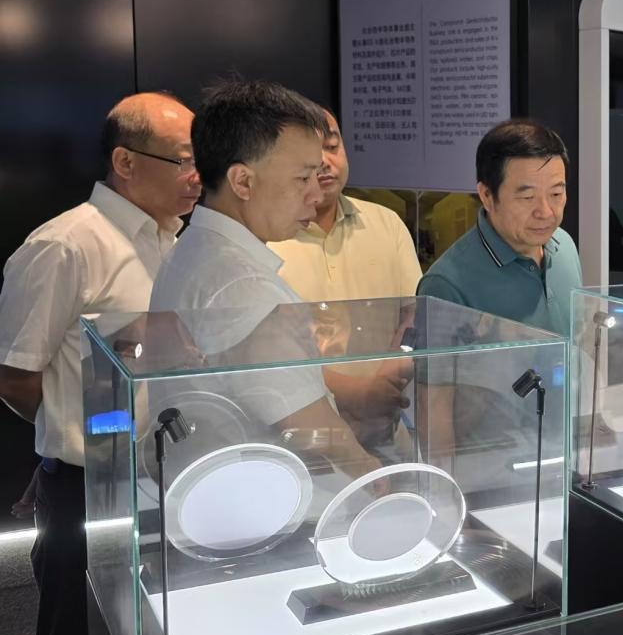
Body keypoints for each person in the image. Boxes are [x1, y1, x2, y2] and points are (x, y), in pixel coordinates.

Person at [0, 92, 199, 635]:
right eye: (184, 160)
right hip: (89, 489)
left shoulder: (176, 242)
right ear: (125, 161)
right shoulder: (65, 245)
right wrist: (75, 434)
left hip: (164, 481)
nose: (198, 175)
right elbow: (15, 375)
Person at [149, 79, 376, 480]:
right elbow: (305, 421)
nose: (316, 194)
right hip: (253, 491)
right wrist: (371, 474)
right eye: (303, 178)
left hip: (223, 481)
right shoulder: (241, 282)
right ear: (243, 182)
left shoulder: (196, 247)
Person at [267, 108, 422, 452]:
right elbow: (265, 356)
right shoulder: (266, 237)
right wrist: (356, 393)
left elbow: (412, 315)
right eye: (310, 154)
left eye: (332, 146)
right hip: (301, 441)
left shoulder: (386, 223)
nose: (325, 162)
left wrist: (387, 379)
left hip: (386, 428)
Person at [417, 119, 581, 336]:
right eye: (527, 197)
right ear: (487, 196)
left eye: (556, 194)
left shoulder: (564, 245)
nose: (546, 212)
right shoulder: (446, 285)